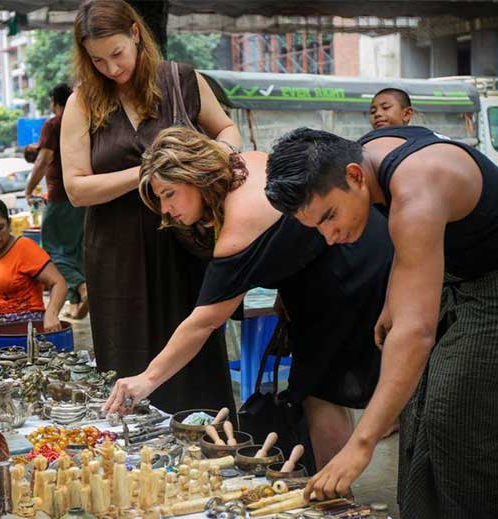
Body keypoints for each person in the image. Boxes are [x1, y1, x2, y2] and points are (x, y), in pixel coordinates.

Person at [266, 127, 498, 519]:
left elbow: (416, 333)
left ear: (355, 176)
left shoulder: (417, 189)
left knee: (458, 415)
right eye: (316, 228)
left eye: (330, 217)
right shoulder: (363, 157)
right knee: (418, 408)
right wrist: (394, 297)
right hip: (460, 273)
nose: (331, 236)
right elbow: (410, 250)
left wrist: (361, 445)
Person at [104, 127, 392, 468]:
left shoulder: (239, 226)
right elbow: (293, 239)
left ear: (195, 177)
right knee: (322, 387)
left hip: (343, 269)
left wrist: (147, 379)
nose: (166, 210)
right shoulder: (245, 163)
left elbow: (205, 322)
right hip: (363, 249)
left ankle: (334, 496)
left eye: (170, 194)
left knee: (319, 392)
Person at [60, 0, 242, 414]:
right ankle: (136, 463)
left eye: (118, 53)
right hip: (116, 253)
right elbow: (76, 188)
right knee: (128, 355)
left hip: (185, 242)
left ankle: (207, 453)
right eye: (98, 60)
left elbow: (227, 131)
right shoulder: (84, 101)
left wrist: (211, 159)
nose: (111, 68)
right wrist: (151, 173)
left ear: (136, 34)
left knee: (193, 352)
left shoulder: (182, 80)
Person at [25, 83, 88, 320]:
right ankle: (75, 302)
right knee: (74, 251)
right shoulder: (84, 120)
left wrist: (29, 188)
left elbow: (43, 160)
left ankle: (82, 288)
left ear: (54, 101)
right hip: (83, 198)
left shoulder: (54, 124)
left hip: (61, 196)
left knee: (51, 252)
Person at [0, 197, 67, 332]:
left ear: (9, 223)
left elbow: (59, 282)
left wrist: (51, 315)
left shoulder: (24, 247)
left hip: (24, 325)